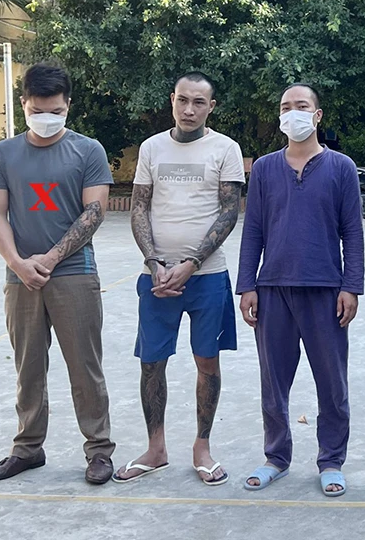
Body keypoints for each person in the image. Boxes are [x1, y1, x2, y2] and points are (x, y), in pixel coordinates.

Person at [0, 62, 116, 484]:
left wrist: (52, 258)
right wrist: (18, 263)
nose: (46, 118)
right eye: (37, 110)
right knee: (28, 368)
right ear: (23, 104)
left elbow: (94, 212)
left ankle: (99, 450)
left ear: (68, 105)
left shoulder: (88, 150)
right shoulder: (4, 154)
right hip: (20, 277)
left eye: (55, 111)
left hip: (74, 273)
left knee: (85, 367)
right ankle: (27, 448)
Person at [112, 72, 244, 486]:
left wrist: (192, 262)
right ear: (172, 100)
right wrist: (154, 262)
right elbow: (139, 207)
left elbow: (229, 212)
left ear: (211, 106)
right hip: (156, 278)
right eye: (183, 100)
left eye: (199, 102)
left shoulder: (225, 148)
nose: (189, 110)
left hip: (207, 277)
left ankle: (202, 447)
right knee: (152, 362)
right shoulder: (152, 148)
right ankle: (156, 448)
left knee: (207, 361)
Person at [236, 84, 363, 497]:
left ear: (317, 115)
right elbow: (253, 229)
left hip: (325, 289)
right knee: (273, 382)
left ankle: (331, 460)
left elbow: (352, 232)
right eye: (286, 107)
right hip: (272, 289)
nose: (293, 113)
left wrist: (351, 286)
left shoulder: (341, 167)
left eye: (302, 106)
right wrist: (247, 285)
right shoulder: (265, 169)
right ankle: (276, 457)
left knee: (332, 383)